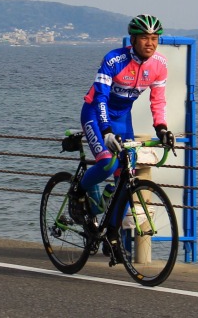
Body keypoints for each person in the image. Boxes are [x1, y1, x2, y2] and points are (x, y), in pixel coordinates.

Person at [70, 14, 174, 253]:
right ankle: (78, 192)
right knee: (107, 163)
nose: (150, 42)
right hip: (96, 113)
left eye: (155, 38)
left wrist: (162, 128)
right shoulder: (114, 59)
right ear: (133, 39)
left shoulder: (159, 65)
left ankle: (112, 234)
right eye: (145, 38)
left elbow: (158, 100)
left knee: (126, 174)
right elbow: (101, 97)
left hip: (122, 119)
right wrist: (105, 130)